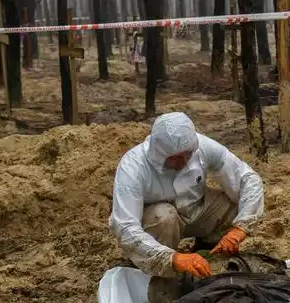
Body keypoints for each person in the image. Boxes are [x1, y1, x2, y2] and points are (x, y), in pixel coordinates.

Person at [110, 112, 265, 280]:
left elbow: (248, 179)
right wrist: (172, 258)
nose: (183, 162)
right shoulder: (133, 167)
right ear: (159, 153)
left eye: (188, 155)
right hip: (159, 226)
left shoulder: (201, 147)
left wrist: (240, 228)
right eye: (175, 158)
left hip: (196, 209)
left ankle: (208, 252)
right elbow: (125, 226)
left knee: (234, 206)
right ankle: (159, 271)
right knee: (164, 215)